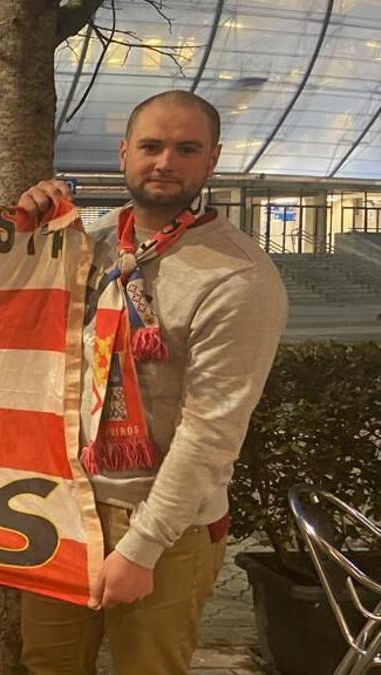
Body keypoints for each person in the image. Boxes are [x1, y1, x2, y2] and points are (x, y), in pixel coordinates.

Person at [16, 90, 287, 674]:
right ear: (123, 154)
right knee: (46, 665)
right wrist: (29, 228)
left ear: (211, 160)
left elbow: (211, 432)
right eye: (152, 146)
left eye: (186, 149)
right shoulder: (91, 244)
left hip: (165, 525)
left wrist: (142, 547)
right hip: (65, 508)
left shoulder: (238, 277)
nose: (165, 161)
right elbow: (12, 316)